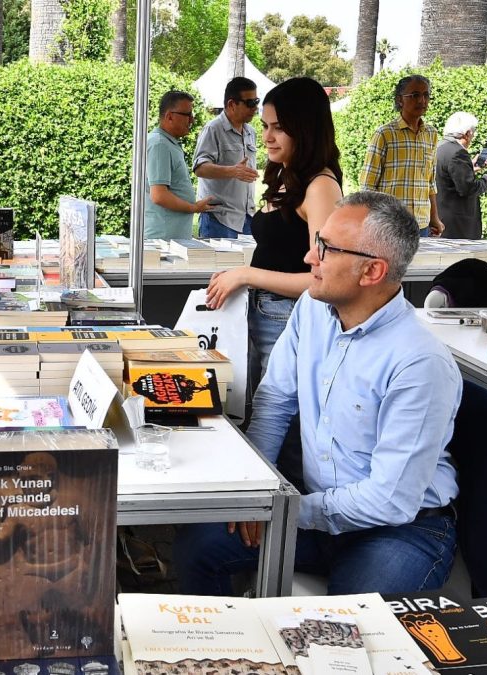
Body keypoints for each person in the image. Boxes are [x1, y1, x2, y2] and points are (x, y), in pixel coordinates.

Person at [175, 191, 462, 596]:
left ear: (372, 272)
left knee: (350, 629)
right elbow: (275, 400)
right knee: (198, 547)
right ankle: (226, 651)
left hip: (399, 529)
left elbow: (389, 500)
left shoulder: (419, 362)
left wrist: (286, 511)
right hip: (316, 506)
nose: (310, 258)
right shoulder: (314, 308)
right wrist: (258, 490)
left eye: (325, 248)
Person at [204, 77, 344, 378]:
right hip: (262, 313)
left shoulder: (320, 187)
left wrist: (245, 274)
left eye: (278, 127)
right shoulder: (287, 175)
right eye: (265, 125)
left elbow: (323, 279)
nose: (267, 136)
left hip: (288, 317)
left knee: (274, 417)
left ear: (305, 129)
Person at [359, 75, 446, 237]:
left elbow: (430, 182)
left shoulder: (431, 134)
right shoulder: (385, 134)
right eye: (415, 95)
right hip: (391, 224)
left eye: (426, 95)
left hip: (421, 225)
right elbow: (367, 185)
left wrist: (434, 217)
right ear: (400, 100)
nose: (422, 100)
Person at [193, 76, 260, 239]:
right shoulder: (213, 129)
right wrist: (233, 171)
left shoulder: (251, 131)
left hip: (247, 218)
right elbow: (199, 168)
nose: (255, 108)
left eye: (257, 101)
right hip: (219, 219)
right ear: (231, 104)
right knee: (219, 265)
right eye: (250, 103)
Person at [145, 90, 214, 239]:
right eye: (187, 115)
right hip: (162, 240)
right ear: (169, 116)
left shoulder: (167, 142)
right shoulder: (159, 144)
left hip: (171, 238)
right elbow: (159, 195)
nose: (192, 120)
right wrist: (194, 208)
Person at [436, 112, 487, 240]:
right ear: (467, 134)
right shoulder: (458, 152)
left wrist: (471, 168)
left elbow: (448, 176)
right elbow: (468, 188)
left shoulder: (439, 147)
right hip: (458, 224)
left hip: (441, 216)